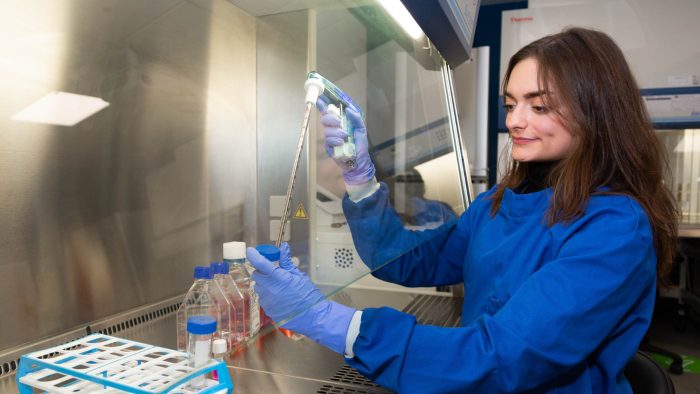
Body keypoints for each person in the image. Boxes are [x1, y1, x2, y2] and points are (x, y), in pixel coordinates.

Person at [246, 27, 678, 393]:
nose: (514, 121)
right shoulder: (500, 202)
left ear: (596, 111)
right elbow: (409, 261)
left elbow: (506, 356)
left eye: (539, 105)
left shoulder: (615, 228)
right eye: (510, 104)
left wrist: (329, 321)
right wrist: (360, 181)